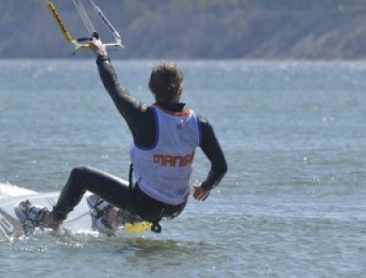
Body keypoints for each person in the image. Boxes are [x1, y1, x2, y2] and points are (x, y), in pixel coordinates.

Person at [16, 35, 227, 233]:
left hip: (144, 203)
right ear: (180, 90)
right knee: (146, 197)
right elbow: (220, 167)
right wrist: (205, 187)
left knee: (79, 175)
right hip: (175, 208)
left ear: (151, 88)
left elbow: (115, 88)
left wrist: (101, 55)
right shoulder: (199, 124)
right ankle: (112, 217)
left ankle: (53, 219)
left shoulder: (143, 117)